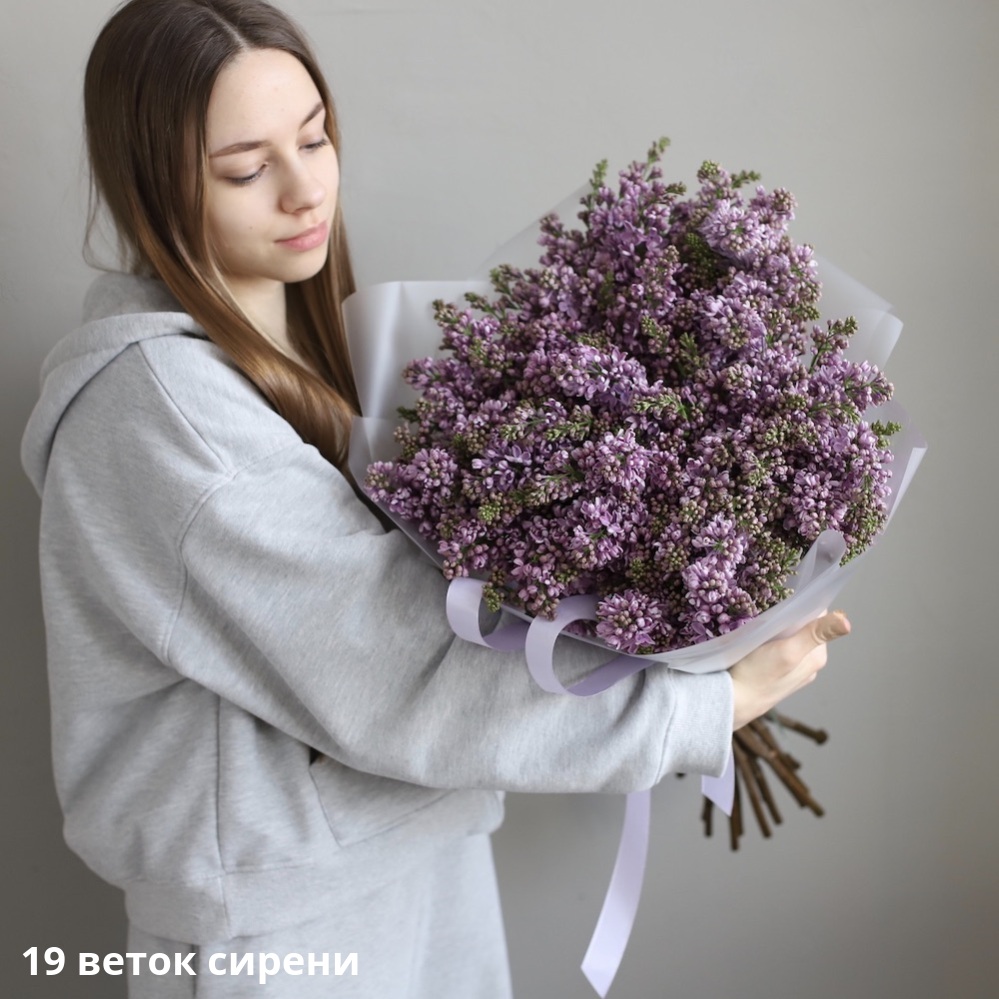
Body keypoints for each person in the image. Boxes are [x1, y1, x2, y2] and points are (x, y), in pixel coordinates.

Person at [20, 1, 850, 995]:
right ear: (151, 187)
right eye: (245, 169)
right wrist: (699, 704)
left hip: (417, 852)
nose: (304, 189)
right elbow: (384, 652)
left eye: (314, 139)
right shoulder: (161, 411)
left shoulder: (303, 353)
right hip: (281, 926)